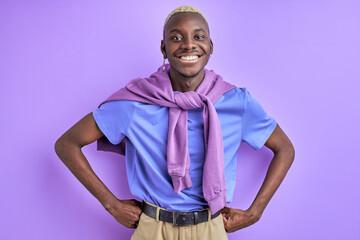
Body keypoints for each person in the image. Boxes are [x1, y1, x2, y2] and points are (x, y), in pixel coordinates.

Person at [55, 5, 295, 240]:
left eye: (198, 36)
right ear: (164, 47)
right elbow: (67, 143)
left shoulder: (236, 102)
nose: (189, 44)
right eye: (176, 37)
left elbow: (285, 148)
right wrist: (111, 204)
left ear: (210, 46)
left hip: (210, 228)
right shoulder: (135, 103)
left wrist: (256, 212)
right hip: (152, 228)